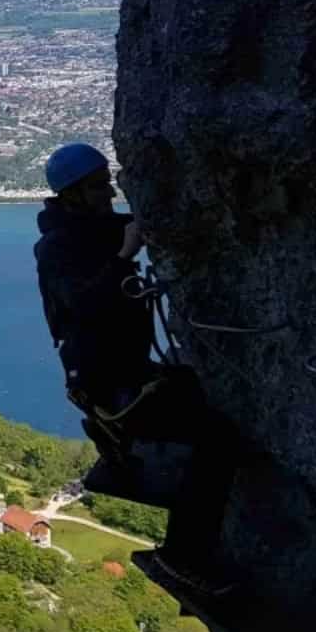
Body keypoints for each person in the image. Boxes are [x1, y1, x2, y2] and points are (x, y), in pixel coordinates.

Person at [35, 143, 238, 593]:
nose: (108, 192)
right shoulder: (56, 249)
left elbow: (127, 228)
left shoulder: (89, 229)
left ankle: (123, 457)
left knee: (197, 394)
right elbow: (83, 306)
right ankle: (181, 556)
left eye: (107, 182)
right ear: (72, 194)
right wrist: (124, 257)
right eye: (97, 186)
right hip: (108, 384)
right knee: (216, 438)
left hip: (122, 373)